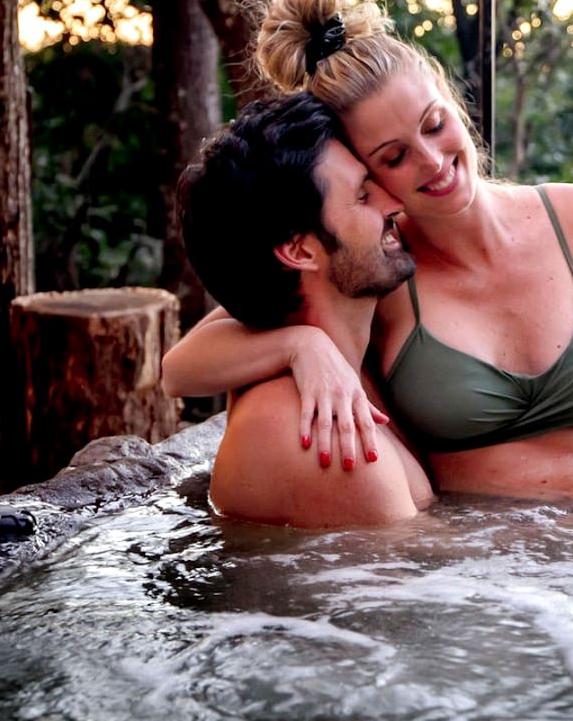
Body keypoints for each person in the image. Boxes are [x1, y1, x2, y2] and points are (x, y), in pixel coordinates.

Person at [164, 0, 573, 503]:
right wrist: (300, 347)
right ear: (365, 171)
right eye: (394, 156)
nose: (433, 161)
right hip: (475, 565)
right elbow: (181, 370)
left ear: (452, 101)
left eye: (433, 124)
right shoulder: (381, 273)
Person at [177, 93, 434, 527]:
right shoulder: (318, 432)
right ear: (300, 250)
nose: (394, 205)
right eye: (362, 196)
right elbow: (433, 582)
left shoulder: (350, 360)